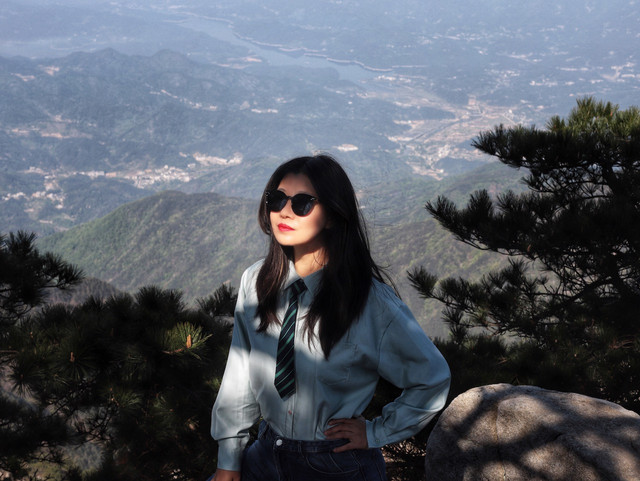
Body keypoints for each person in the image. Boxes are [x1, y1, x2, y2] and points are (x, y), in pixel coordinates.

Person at [209, 154, 450, 481]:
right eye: (277, 199)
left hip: (337, 464)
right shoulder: (256, 282)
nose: (285, 211)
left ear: (334, 215)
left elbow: (432, 376)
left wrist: (376, 432)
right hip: (266, 454)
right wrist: (229, 459)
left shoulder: (369, 302)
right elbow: (239, 378)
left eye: (302, 203)